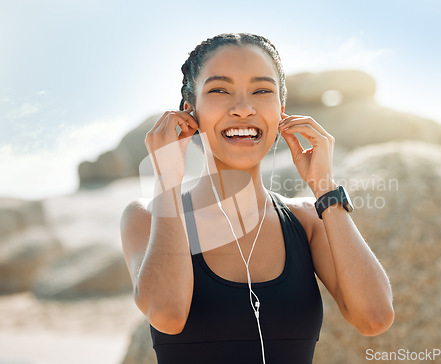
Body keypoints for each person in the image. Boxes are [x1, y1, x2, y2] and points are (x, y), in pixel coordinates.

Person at [120, 33, 394, 364]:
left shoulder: (308, 221)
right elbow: (168, 314)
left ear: (280, 112)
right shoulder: (146, 217)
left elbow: (375, 317)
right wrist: (167, 180)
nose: (243, 108)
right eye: (219, 90)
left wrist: (324, 186)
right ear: (189, 113)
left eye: (262, 90)